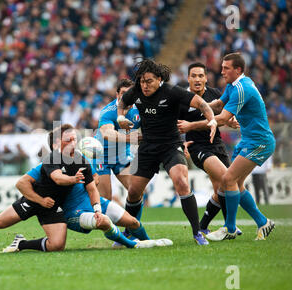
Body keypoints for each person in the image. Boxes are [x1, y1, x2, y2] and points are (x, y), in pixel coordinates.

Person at [0, 124, 159, 252]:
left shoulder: (81, 160)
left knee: (57, 245)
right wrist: (39, 198)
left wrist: (95, 201)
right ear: (57, 144)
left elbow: (92, 187)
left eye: (75, 138)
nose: (74, 141)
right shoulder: (51, 158)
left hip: (53, 206)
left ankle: (21, 244)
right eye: (68, 139)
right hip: (36, 199)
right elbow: (44, 180)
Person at [1, 139, 172, 252]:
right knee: (104, 222)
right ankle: (133, 245)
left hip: (92, 202)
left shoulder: (85, 160)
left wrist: (95, 190)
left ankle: (150, 243)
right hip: (73, 211)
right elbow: (52, 180)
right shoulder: (50, 163)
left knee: (133, 222)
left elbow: (91, 187)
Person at [116, 58, 218, 245]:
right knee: (133, 192)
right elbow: (122, 102)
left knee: (181, 181)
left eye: (149, 81)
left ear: (159, 79)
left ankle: (197, 233)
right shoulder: (136, 91)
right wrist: (120, 117)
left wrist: (211, 120)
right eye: (141, 81)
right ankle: (128, 232)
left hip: (171, 145)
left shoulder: (172, 92)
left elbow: (202, 105)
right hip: (148, 146)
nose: (144, 85)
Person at [181, 53, 275, 241]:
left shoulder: (242, 88)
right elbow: (218, 105)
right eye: (222, 67)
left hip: (260, 142)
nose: (221, 71)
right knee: (235, 184)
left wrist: (191, 125)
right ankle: (263, 222)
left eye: (226, 68)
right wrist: (201, 107)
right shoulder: (233, 86)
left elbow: (222, 118)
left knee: (228, 178)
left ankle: (229, 228)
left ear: (238, 70)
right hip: (247, 141)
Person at [177, 62, 241, 235]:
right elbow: (173, 126)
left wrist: (231, 121)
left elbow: (224, 115)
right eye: (193, 76)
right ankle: (230, 226)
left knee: (220, 189)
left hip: (217, 144)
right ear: (188, 78)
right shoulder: (181, 99)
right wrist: (180, 144)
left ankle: (203, 225)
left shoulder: (215, 95)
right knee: (226, 179)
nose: (197, 79)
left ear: (206, 78)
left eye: (200, 76)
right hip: (197, 147)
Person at [94, 79, 141, 201]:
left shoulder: (140, 109)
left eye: (129, 93)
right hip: (102, 157)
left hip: (122, 156)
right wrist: (131, 138)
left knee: (136, 192)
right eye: (123, 93)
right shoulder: (108, 112)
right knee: (105, 198)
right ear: (117, 95)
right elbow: (107, 133)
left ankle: (135, 221)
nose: (126, 96)